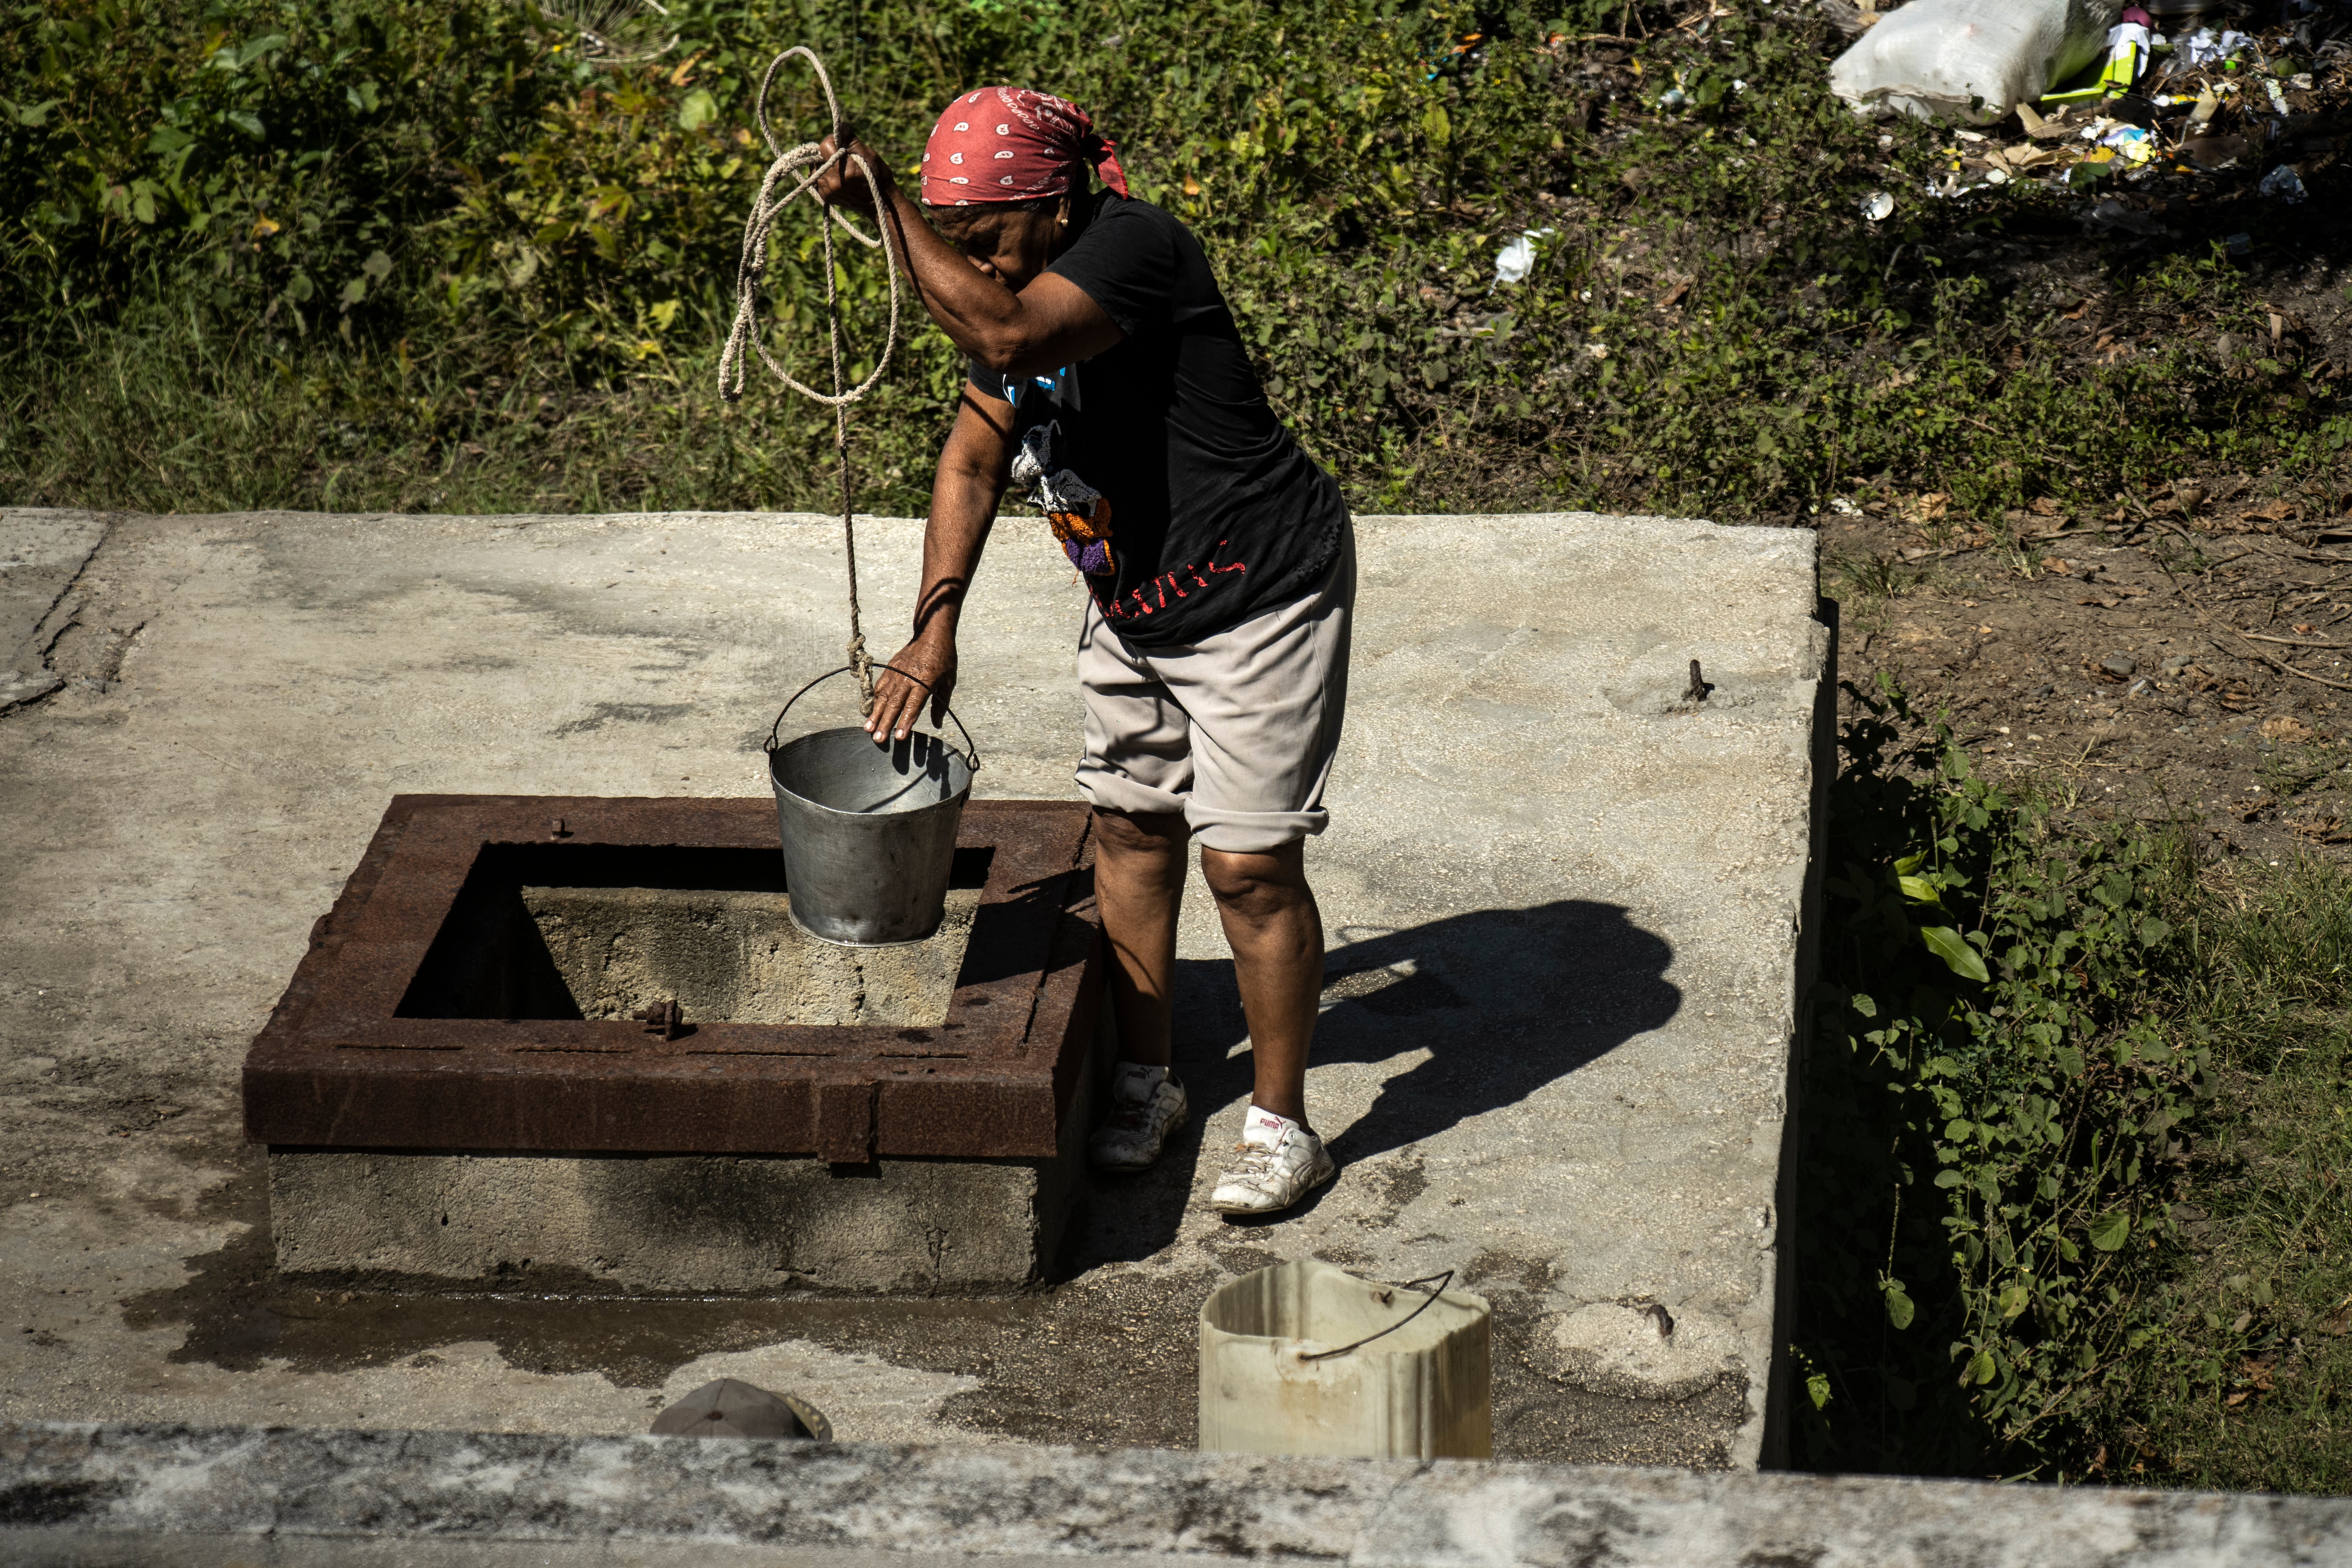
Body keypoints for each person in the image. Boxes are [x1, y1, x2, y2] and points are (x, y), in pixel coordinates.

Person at [815, 87, 1352, 1218]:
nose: (983, 271)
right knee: (1129, 829)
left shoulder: (1137, 247)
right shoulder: (1018, 296)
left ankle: (1279, 1121)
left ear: (1056, 203)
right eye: (962, 248)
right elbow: (969, 461)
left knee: (1247, 865)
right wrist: (934, 625)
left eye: (991, 239)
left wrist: (887, 204)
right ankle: (1150, 1078)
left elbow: (1005, 331)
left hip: (1259, 595)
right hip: (1133, 604)